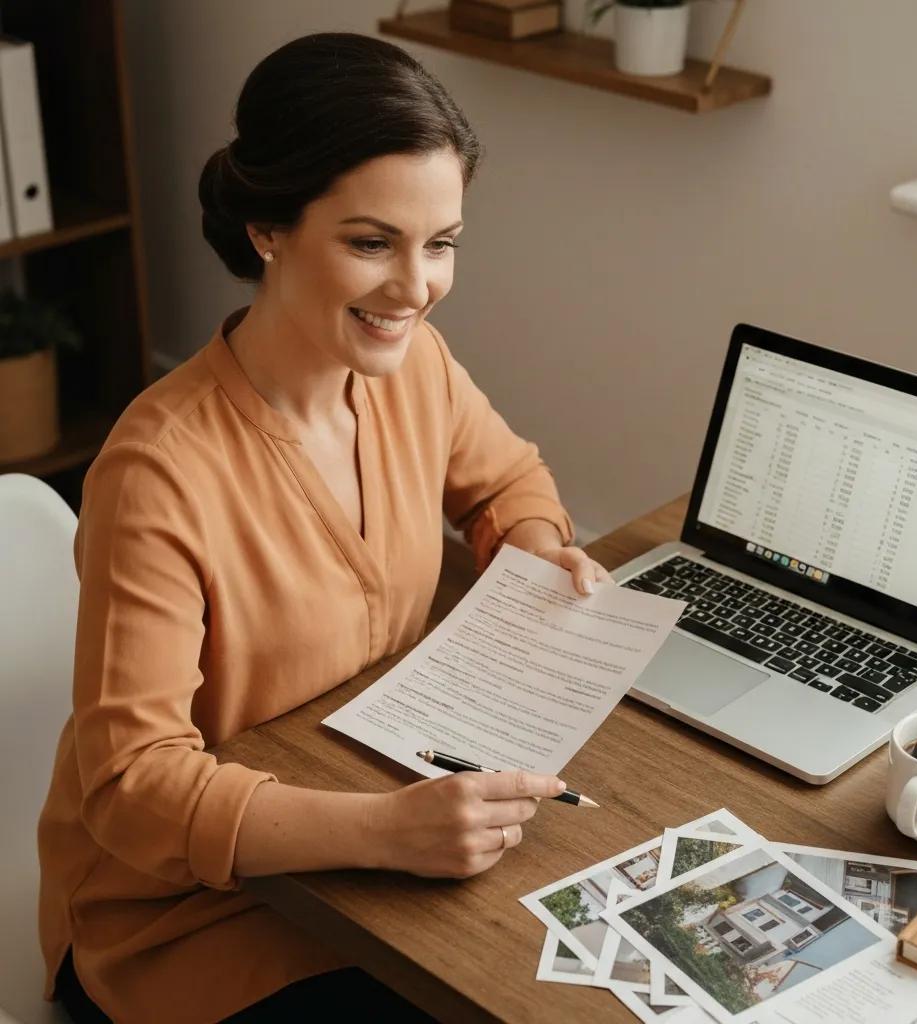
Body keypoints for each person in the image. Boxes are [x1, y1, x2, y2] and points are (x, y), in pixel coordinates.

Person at [37, 31, 610, 1024]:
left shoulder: (413, 367)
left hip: (371, 832)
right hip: (185, 920)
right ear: (268, 227)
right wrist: (386, 832)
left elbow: (506, 480)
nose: (416, 286)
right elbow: (131, 788)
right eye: (370, 241)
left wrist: (534, 549)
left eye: (442, 243)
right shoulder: (157, 471)